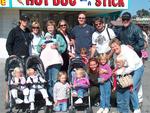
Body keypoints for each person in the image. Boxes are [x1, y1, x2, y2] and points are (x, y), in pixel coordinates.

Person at [109, 38, 144, 113]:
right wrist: (114, 71)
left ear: (119, 44)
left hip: (137, 68)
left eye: (115, 46)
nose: (114, 48)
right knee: (124, 86)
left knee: (132, 88)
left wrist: (120, 73)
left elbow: (132, 67)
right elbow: (117, 64)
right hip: (126, 69)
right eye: (112, 47)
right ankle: (123, 108)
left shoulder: (127, 51)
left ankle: (137, 108)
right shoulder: (116, 53)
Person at [38, 20, 67, 96]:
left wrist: (57, 47)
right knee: (48, 80)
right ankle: (49, 98)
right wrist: (41, 47)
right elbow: (38, 48)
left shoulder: (58, 36)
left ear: (54, 28)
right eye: (48, 27)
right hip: (46, 62)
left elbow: (64, 47)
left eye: (51, 27)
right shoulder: (43, 37)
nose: (50, 29)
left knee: (55, 80)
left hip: (55, 61)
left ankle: (56, 98)